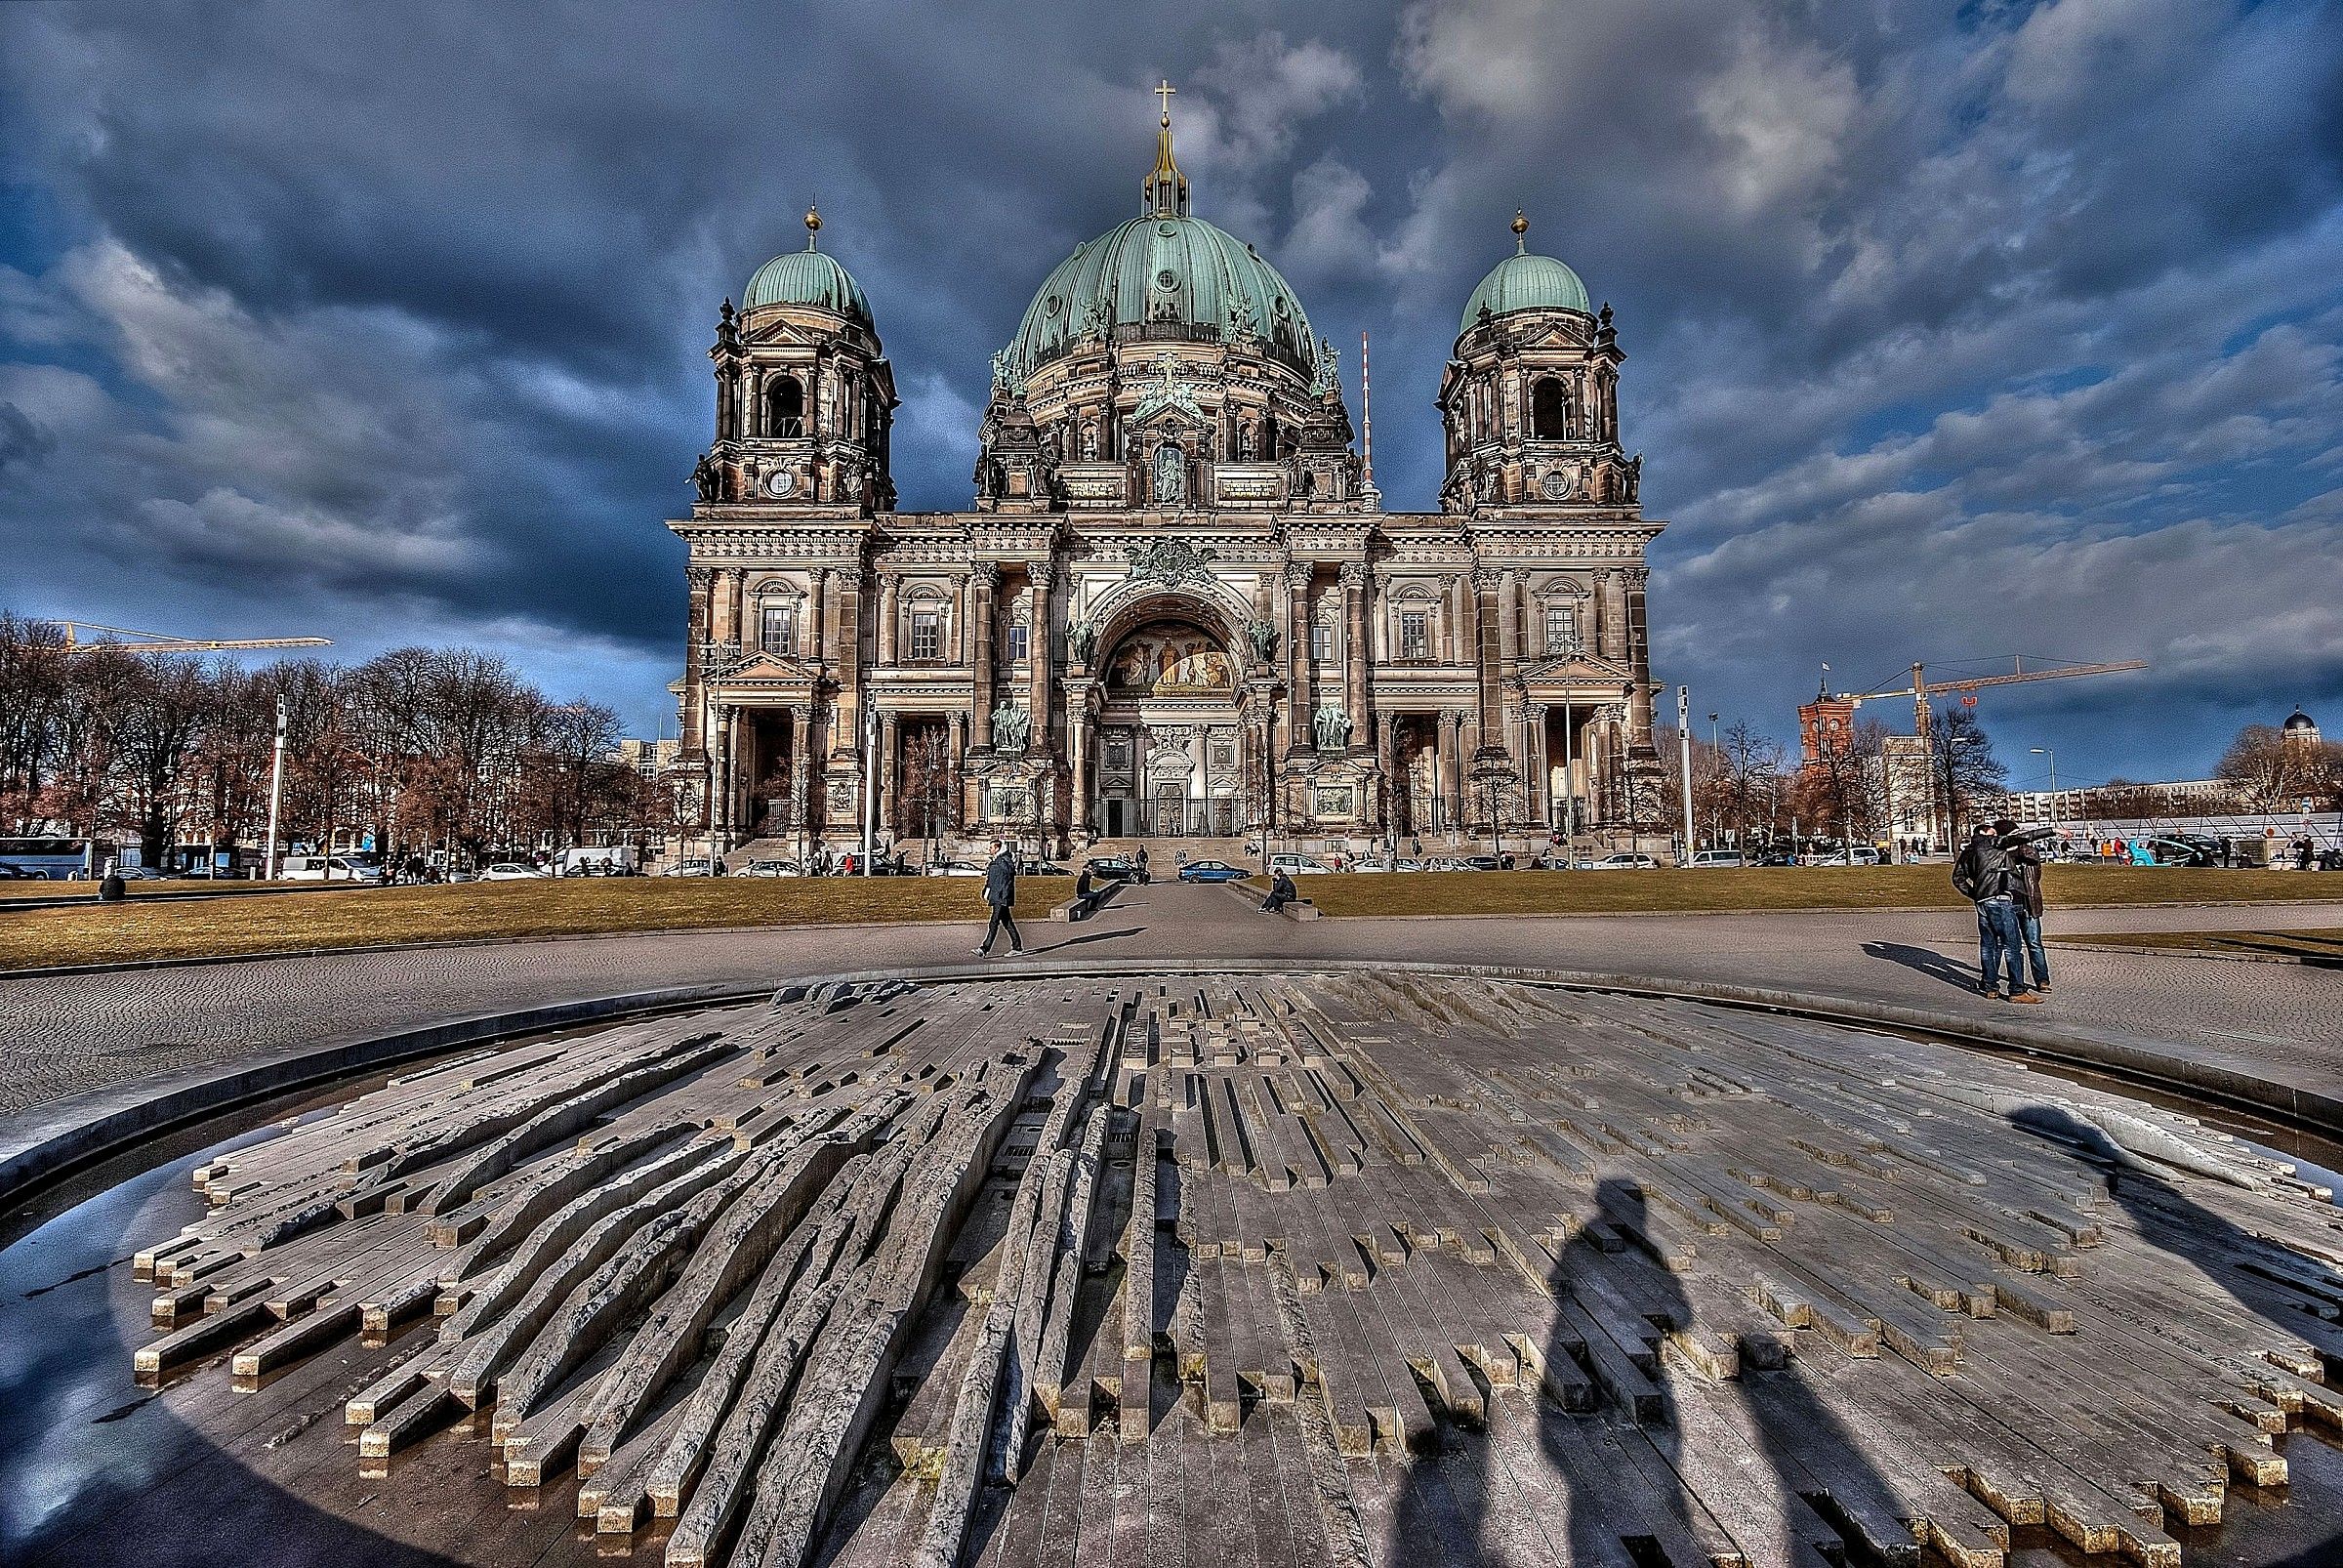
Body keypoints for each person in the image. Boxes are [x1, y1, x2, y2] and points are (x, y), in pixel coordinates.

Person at [1952, 821, 2039, 1004]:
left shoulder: (1968, 850)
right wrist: (2054, 830)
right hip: (1999, 900)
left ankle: (1990, 986)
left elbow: (1957, 878)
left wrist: (1976, 893)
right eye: (1993, 833)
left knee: (1988, 946)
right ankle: (2017, 990)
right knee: (2012, 946)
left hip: (1982, 902)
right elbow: (2025, 837)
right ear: (1985, 833)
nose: (1996, 835)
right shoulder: (1991, 843)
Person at [1996, 817, 2054, 996]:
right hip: (2007, 904)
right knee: (2006, 944)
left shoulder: (2028, 851)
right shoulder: (1998, 853)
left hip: (2028, 902)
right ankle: (1993, 980)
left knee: (2034, 943)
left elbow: (2036, 876)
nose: (2019, 836)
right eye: (2015, 834)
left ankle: (2042, 979)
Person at [974, 838, 1023, 957]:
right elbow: (991, 880)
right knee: (1007, 923)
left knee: (994, 922)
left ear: (997, 848)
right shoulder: (995, 861)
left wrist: (998, 860)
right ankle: (1017, 947)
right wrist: (986, 890)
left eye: (991, 847)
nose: (989, 850)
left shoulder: (1005, 859)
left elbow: (1010, 871)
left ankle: (984, 948)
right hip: (997, 895)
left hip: (1002, 896)